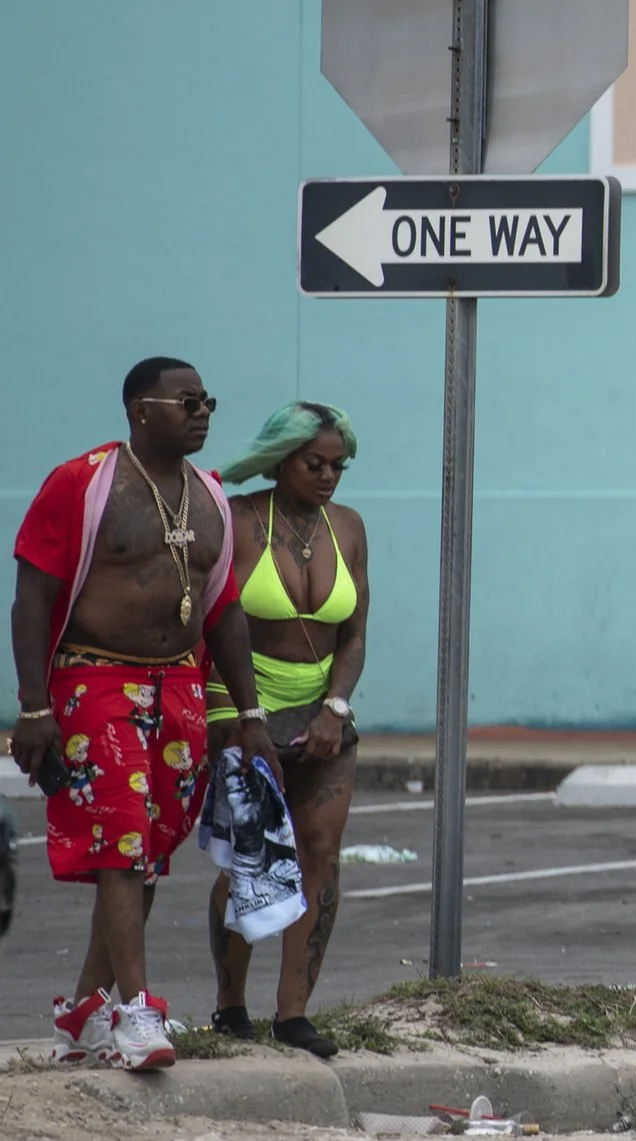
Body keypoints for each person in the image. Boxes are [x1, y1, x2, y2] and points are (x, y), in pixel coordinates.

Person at [10, 359, 277, 1072]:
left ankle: (85, 1012)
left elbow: (224, 611)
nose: (203, 411)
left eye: (208, 400)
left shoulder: (209, 496)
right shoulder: (83, 482)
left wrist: (250, 713)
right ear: (140, 409)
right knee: (121, 847)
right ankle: (135, 1011)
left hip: (179, 686)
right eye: (188, 401)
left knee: (146, 855)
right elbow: (31, 597)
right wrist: (33, 706)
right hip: (96, 680)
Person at [202, 403, 371, 1059]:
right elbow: (213, 624)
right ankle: (229, 1004)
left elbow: (354, 634)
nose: (328, 476)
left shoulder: (348, 527)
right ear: (281, 460)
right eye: (314, 464)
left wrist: (337, 706)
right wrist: (242, 718)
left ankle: (293, 1013)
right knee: (252, 852)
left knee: (319, 853)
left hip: (322, 709)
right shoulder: (239, 519)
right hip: (243, 705)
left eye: (337, 466)